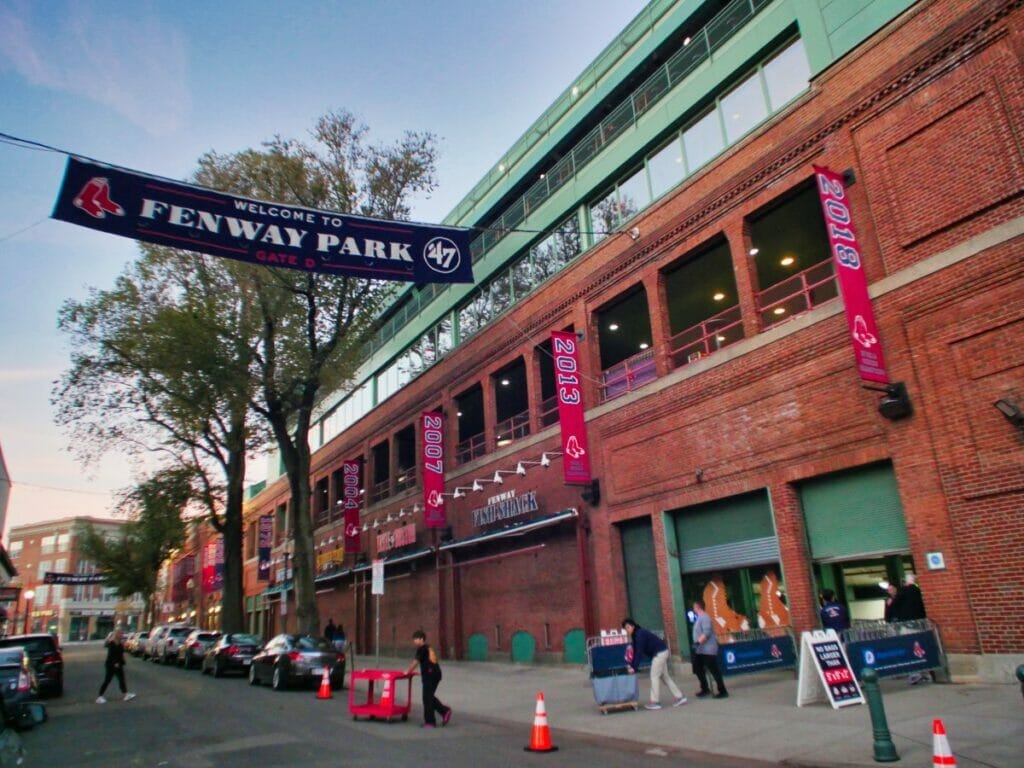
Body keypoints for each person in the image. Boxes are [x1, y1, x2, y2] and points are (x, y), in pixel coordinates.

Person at [622, 617, 687, 709]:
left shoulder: (639, 634)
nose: (627, 630)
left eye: (628, 627)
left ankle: (655, 702)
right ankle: (680, 697)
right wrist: (632, 666)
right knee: (665, 677)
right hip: (662, 651)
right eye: (625, 628)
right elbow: (636, 651)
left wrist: (634, 667)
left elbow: (639, 652)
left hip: (659, 653)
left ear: (633, 626)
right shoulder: (636, 634)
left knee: (654, 676)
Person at [406, 629, 451, 728]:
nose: (414, 641)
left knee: (427, 698)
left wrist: (407, 671)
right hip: (435, 674)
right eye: (414, 639)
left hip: (430, 675)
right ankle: (445, 711)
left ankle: (430, 722)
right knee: (429, 697)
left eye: (416, 639)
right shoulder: (428, 647)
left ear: (422, 639)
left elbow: (416, 662)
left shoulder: (422, 649)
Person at [691, 600, 728, 699]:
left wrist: (698, 642)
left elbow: (706, 632)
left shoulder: (705, 617)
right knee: (698, 668)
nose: (693, 609)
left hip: (708, 649)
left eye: (694, 607)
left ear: (698, 607)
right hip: (700, 650)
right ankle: (705, 688)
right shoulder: (699, 618)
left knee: (714, 670)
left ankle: (722, 690)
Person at [96, 627, 135, 703]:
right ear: (117, 635)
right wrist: (115, 663)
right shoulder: (112, 643)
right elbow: (111, 655)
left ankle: (125, 694)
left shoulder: (120, 644)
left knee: (121, 679)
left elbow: (120, 654)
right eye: (120, 633)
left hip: (118, 664)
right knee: (107, 680)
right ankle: (100, 696)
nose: (122, 635)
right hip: (111, 665)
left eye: (122, 633)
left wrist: (123, 661)